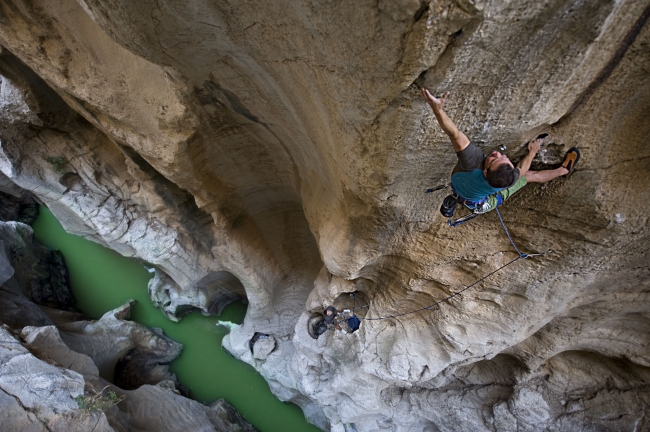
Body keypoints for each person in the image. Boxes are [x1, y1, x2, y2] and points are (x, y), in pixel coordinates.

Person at [421, 89, 580, 216]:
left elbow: (455, 134)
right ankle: (563, 170)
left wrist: (438, 110)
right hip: (474, 197)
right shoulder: (503, 174)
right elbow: (521, 168)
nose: (498, 153)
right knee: (527, 174)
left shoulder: (477, 165)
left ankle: (563, 170)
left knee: (529, 175)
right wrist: (532, 151)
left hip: (476, 198)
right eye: (500, 157)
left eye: (497, 158)